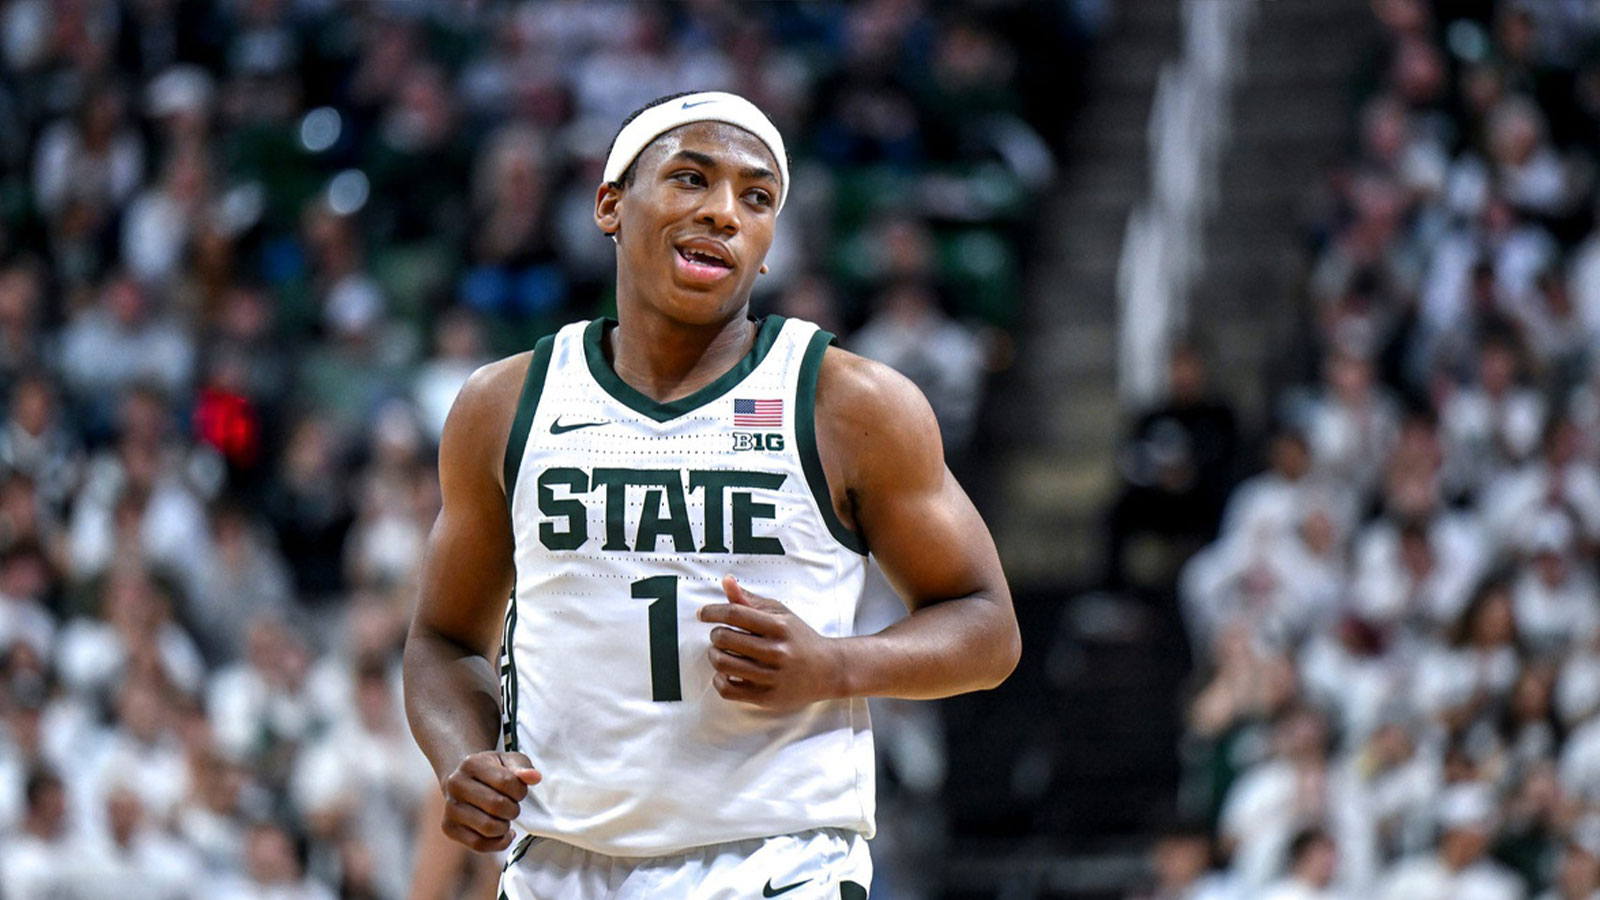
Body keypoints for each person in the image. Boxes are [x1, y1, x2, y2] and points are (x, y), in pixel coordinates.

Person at [402, 91, 1019, 900]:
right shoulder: (504, 404)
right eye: (691, 179)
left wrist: (836, 665)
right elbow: (442, 641)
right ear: (610, 205)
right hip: (562, 863)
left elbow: (988, 626)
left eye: (756, 197)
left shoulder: (850, 403)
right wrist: (463, 758)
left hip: (779, 860)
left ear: (767, 249)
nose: (724, 212)